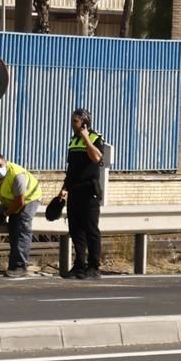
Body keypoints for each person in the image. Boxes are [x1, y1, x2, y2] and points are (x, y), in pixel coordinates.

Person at [60, 107, 108, 279]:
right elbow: (71, 169)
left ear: (85, 122)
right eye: (72, 121)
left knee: (91, 229)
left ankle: (94, 266)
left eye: (76, 121)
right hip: (74, 190)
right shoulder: (73, 141)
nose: (72, 125)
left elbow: (96, 158)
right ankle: (79, 265)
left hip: (89, 190)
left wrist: (86, 138)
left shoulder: (95, 138)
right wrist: (64, 189)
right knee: (75, 230)